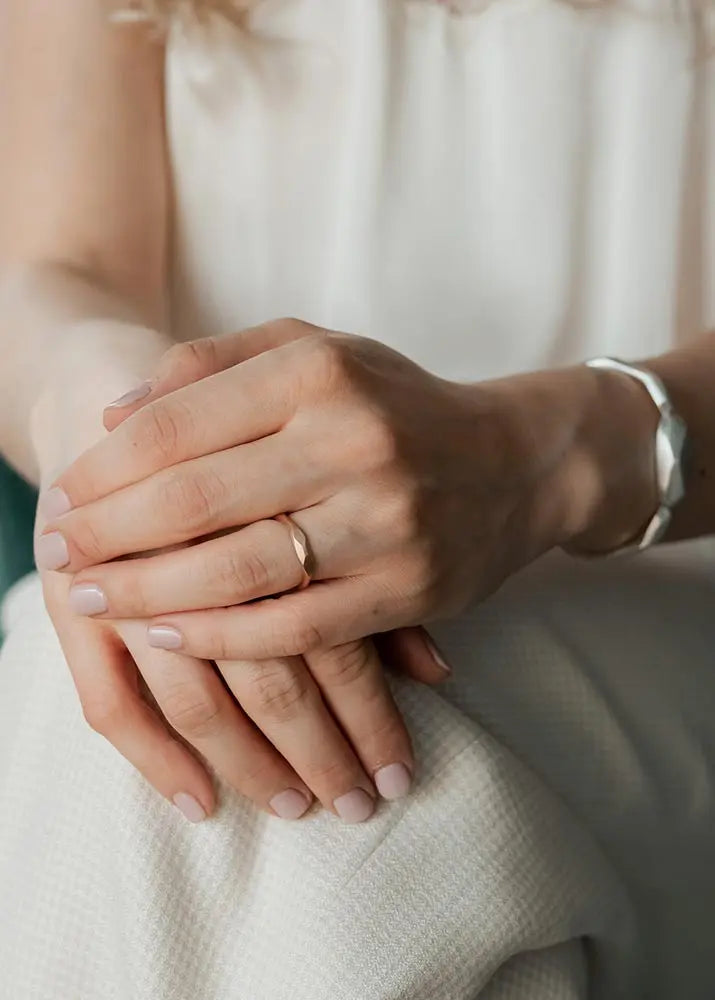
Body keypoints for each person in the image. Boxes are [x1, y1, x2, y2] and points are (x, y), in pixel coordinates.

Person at [1, 0, 714, 996]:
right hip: (231, 564)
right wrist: (125, 428)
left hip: (673, 590)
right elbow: (55, 267)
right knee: (134, 724)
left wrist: (546, 455)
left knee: (324, 798)